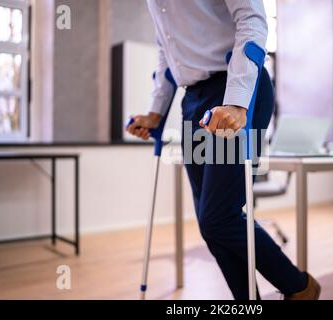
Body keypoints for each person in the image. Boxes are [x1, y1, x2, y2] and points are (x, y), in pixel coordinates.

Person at [126, 0, 321, 300]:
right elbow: (167, 50)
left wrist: (237, 100)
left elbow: (251, 19)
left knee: (219, 217)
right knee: (211, 224)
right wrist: (155, 111)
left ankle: (299, 287)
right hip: (194, 100)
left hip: (233, 89)